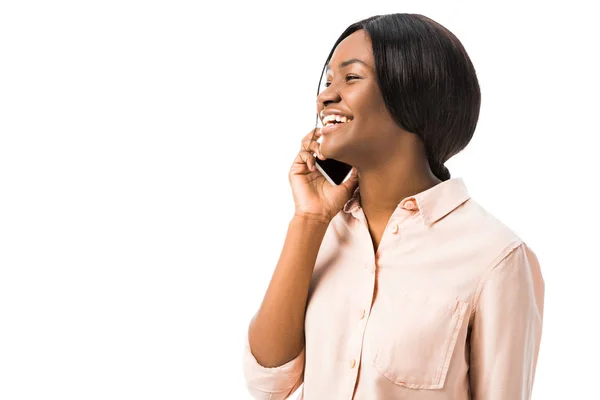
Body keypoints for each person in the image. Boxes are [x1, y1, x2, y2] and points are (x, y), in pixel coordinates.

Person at [242, 13, 545, 400]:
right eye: (328, 80)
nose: (325, 96)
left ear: (411, 95)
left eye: (351, 78)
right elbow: (268, 383)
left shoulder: (495, 257)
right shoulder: (325, 231)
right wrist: (309, 219)